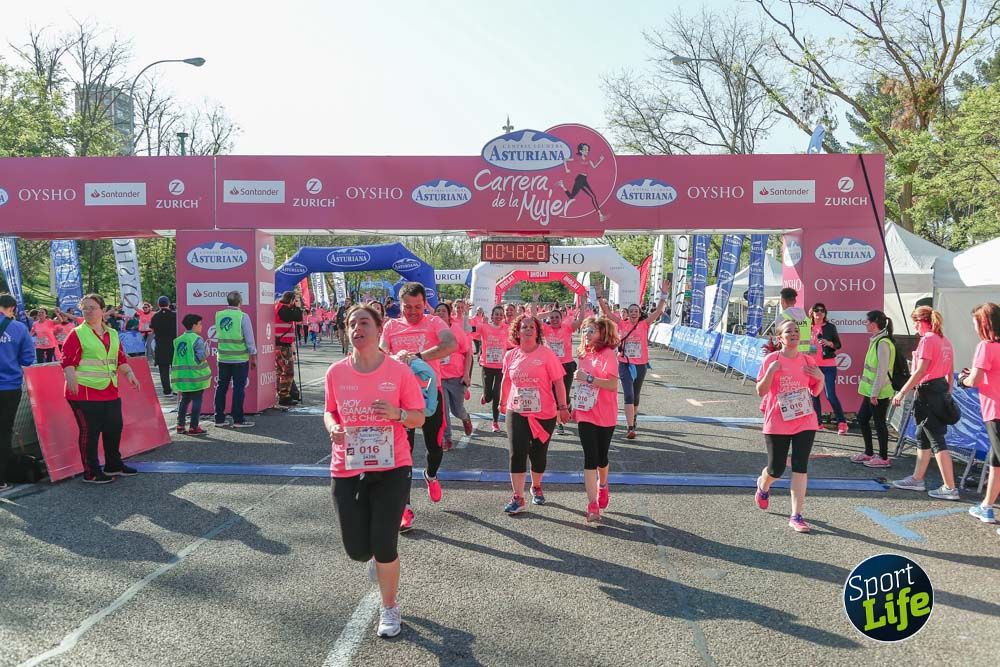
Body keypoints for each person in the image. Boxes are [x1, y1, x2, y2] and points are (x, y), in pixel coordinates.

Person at [324, 304, 425, 638]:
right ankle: (376, 563)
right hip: (348, 466)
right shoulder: (336, 372)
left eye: (364, 322)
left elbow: (418, 417)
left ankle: (390, 607)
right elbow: (330, 412)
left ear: (379, 329)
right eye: (351, 324)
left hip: (393, 465)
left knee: (384, 543)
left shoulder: (398, 372)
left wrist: (397, 414)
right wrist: (333, 428)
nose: (357, 328)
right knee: (357, 550)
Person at [379, 282, 457, 532]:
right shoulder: (391, 326)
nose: (413, 311)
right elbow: (379, 355)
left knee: (435, 447)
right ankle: (405, 508)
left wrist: (418, 357)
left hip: (429, 397)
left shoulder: (434, 323)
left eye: (417, 307)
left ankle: (431, 475)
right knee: (403, 453)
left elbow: (450, 345)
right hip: (401, 399)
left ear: (425, 305)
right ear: (399, 306)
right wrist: (394, 359)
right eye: (407, 307)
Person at [753, 319, 824, 532]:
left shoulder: (807, 360)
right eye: (788, 331)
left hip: (805, 419)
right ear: (780, 338)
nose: (793, 334)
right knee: (777, 469)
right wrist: (770, 372)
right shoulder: (771, 359)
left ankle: (796, 515)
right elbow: (761, 391)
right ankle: (763, 485)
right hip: (778, 420)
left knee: (800, 466)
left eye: (796, 331)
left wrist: (820, 378)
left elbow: (815, 391)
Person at [61, 293, 141, 484]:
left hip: (109, 390)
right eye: (85, 308)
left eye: (92, 307)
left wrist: (130, 374)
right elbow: (67, 360)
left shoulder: (113, 333)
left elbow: (120, 358)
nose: (88, 311)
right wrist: (70, 377)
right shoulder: (77, 333)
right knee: (90, 432)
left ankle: (113, 464)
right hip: (84, 392)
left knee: (114, 428)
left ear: (103, 311)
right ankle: (91, 472)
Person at [499, 314, 569, 513]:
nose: (528, 329)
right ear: (517, 331)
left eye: (532, 327)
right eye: (524, 327)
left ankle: (536, 486)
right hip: (517, 410)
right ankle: (517, 497)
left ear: (537, 332)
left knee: (538, 454)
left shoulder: (547, 354)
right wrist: (502, 403)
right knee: (516, 453)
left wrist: (562, 407)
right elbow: (506, 380)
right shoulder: (510, 355)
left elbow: (558, 382)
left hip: (544, 413)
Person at [891, 306, 960, 499]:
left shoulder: (928, 339)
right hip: (938, 391)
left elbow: (920, 371)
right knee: (923, 435)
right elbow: (950, 371)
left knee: (936, 440)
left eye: (915, 322)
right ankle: (917, 479)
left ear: (922, 321)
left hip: (929, 392)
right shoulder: (944, 340)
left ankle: (950, 487)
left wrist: (902, 392)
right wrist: (948, 392)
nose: (914, 327)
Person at [598, 280, 669, 439]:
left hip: (641, 366)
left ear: (639, 312)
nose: (634, 313)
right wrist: (599, 297)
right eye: (631, 311)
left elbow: (659, 311)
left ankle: (633, 418)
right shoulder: (621, 324)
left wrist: (664, 294)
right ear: (628, 313)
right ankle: (630, 428)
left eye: (636, 310)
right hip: (624, 364)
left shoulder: (645, 324)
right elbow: (608, 313)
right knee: (628, 395)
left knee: (636, 396)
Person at [572, 316, 620, 525]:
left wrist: (588, 378)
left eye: (591, 330)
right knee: (590, 457)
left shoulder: (609, 355)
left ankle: (603, 485)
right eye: (585, 331)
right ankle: (592, 504)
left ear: (602, 333)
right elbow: (581, 386)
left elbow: (612, 385)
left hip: (606, 412)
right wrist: (575, 405)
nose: (587, 334)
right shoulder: (583, 354)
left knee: (602, 457)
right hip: (586, 413)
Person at [959, 303, 1000, 531]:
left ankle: (987, 505)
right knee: (995, 461)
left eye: (975, 321)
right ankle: (986, 505)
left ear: (984, 323)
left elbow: (973, 380)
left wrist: (962, 380)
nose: (973, 326)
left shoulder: (986, 346)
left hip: (995, 410)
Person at [851, 310, 896, 468]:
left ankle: (883, 457)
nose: (865, 324)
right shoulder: (878, 340)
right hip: (871, 391)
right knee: (863, 418)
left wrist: (875, 393)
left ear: (874, 323)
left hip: (878, 393)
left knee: (879, 423)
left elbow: (882, 371)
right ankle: (869, 452)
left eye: (867, 321)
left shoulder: (882, 343)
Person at [0, 294, 35, 491]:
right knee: (3, 433)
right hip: (8, 388)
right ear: (12, 308)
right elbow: (28, 359)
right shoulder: (19, 328)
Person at [214, 290, 257, 428]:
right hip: (239, 358)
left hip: (223, 357)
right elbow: (249, 339)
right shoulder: (242, 316)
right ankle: (238, 419)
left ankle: (219, 418)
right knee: (238, 388)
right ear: (240, 302)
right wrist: (253, 356)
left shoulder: (219, 315)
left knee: (221, 387)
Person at [434, 302, 474, 450]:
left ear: (449, 314)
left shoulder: (456, 330)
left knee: (457, 410)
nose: (440, 313)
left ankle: (465, 418)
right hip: (439, 378)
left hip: (456, 377)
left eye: (443, 311)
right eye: (437, 311)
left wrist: (466, 375)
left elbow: (468, 353)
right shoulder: (432, 331)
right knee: (443, 410)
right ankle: (447, 438)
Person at [543, 299, 585, 435]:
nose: (554, 319)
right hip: (550, 367)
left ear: (562, 319)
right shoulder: (546, 329)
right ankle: (559, 424)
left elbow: (580, 321)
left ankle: (566, 406)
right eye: (552, 317)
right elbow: (534, 318)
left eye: (557, 317)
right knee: (554, 395)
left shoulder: (567, 328)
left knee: (564, 395)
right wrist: (535, 301)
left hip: (566, 366)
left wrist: (583, 305)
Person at [810, 303, 847, 433]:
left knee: (830, 395)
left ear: (825, 313)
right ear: (812, 312)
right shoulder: (808, 327)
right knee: (814, 395)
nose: (819, 313)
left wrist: (829, 343)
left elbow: (838, 345)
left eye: (822, 310)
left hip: (828, 366)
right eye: (816, 310)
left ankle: (842, 422)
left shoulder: (830, 327)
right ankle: (817, 423)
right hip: (813, 366)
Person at [171, 314, 211, 436]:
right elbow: (201, 357)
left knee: (184, 400)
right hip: (195, 376)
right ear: (194, 325)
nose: (201, 326)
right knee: (197, 400)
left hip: (182, 377)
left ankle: (180, 425)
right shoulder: (197, 339)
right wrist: (207, 352)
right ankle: (194, 426)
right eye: (200, 324)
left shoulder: (178, 340)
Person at [475, 305, 509, 433]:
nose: (499, 316)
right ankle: (485, 396)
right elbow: (472, 331)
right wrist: (476, 318)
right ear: (492, 316)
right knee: (489, 396)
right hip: (487, 365)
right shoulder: (485, 327)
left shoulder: (506, 328)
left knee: (497, 395)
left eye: (501, 314)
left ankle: (495, 422)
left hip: (501, 366)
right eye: (496, 314)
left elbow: (516, 337)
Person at [557, 142, 608, 222]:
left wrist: (600, 160)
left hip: (584, 179)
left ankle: (562, 185)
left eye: (587, 149)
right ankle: (600, 215)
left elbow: (594, 167)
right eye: (585, 149)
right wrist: (566, 169)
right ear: (580, 151)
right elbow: (565, 160)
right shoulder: (577, 158)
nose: (587, 151)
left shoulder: (588, 159)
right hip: (579, 179)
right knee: (591, 196)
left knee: (573, 196)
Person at [273, 292, 303, 407]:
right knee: (288, 371)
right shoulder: (283, 309)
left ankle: (280, 394)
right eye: (294, 300)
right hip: (283, 345)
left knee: (279, 371)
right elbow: (298, 317)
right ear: (291, 300)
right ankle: (284, 396)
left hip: (278, 343)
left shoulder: (277, 306)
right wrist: (297, 307)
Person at [150, 296, 177, 396]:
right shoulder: (174, 315)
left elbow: (152, 330)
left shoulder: (155, 316)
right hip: (173, 345)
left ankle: (166, 391)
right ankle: (175, 390)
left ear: (158, 304)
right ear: (169, 303)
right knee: (175, 369)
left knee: (163, 370)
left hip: (160, 346)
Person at [778, 287, 814, 354]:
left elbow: (779, 340)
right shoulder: (806, 317)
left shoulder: (781, 317)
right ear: (795, 301)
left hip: (789, 354)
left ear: (782, 301)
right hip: (806, 355)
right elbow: (812, 338)